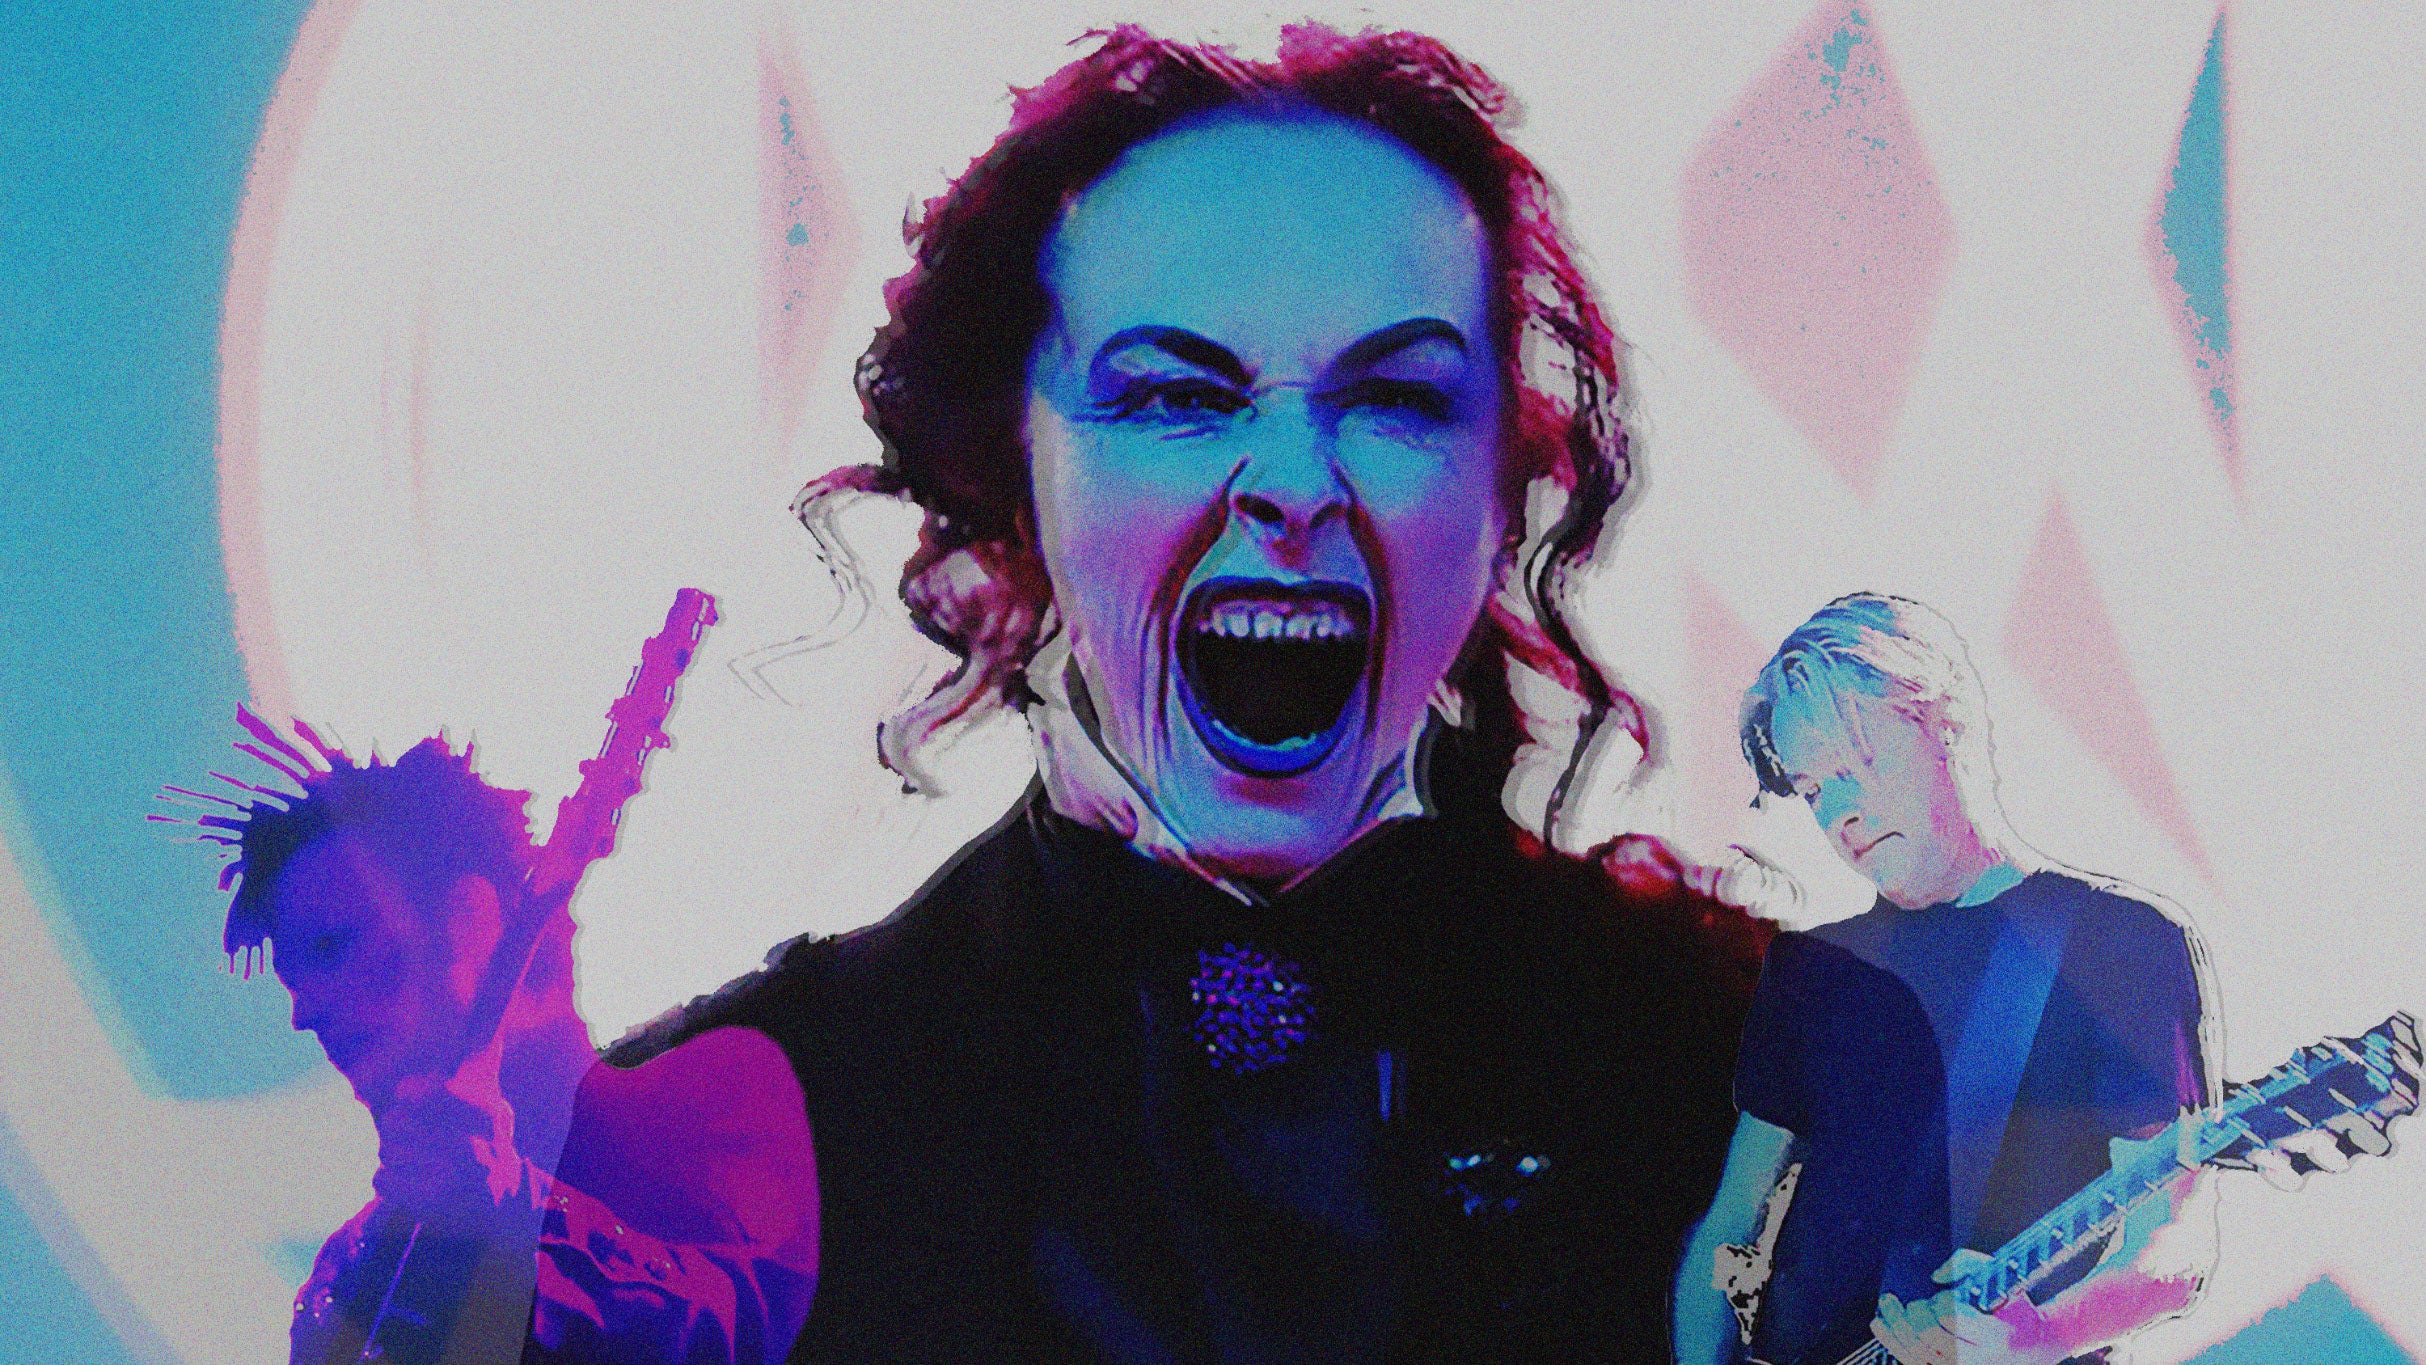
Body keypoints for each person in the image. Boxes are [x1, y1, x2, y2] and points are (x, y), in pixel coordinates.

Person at [391, 24, 1764, 1364]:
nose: (1294, 481)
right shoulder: (723, 1137)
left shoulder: (1748, 1057)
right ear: (1014, 478)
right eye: (1174, 396)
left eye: (1396, 397)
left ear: (1499, 490)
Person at [1673, 593, 2229, 1365]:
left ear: (1949, 726)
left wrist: (2043, 1336)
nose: (1840, 813)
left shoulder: (2120, 941)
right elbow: (1729, 1227)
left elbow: (2175, 1236)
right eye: (1814, 788)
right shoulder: (1812, 971)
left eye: (1860, 762)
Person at [184, 726, 592, 1363]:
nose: (304, 1014)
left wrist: (512, 1208)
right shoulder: (348, 1273)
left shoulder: (679, 1108)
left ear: (473, 918)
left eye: (332, 946)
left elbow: (734, 1316)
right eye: (293, 984)